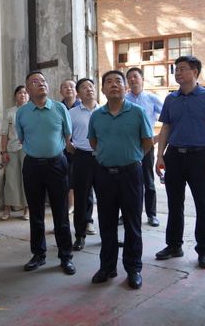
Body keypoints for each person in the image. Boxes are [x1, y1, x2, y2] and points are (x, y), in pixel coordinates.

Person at [155, 55, 205, 269]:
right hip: (174, 156)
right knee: (174, 204)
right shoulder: (171, 99)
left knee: (203, 205)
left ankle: (204, 250)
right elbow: (166, 127)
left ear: (195, 72)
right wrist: (159, 155)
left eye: (183, 68)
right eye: (176, 69)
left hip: (200, 157)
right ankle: (174, 245)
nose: (178, 72)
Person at [88, 70, 153, 289]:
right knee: (106, 223)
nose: (113, 85)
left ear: (125, 88)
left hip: (131, 174)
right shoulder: (97, 115)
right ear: (103, 89)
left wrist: (132, 157)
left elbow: (147, 142)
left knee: (133, 224)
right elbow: (94, 142)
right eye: (108, 82)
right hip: (104, 175)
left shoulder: (137, 112)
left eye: (118, 81)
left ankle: (133, 268)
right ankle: (107, 267)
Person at [15, 71, 75, 276]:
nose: (41, 83)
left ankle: (65, 256)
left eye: (43, 80)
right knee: (36, 213)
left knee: (61, 212)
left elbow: (67, 135)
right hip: (32, 166)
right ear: (28, 89)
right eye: (35, 81)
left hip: (57, 164)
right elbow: (21, 138)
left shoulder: (59, 108)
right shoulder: (22, 112)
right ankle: (38, 254)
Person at [126, 67, 163, 227]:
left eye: (135, 76)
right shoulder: (124, 100)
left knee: (148, 181)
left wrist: (158, 138)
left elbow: (170, 119)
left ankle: (151, 214)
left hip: (147, 144)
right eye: (129, 78)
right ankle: (127, 214)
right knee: (128, 182)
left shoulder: (152, 99)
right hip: (128, 145)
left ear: (142, 79)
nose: (132, 80)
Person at [69, 78, 100, 251]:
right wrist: (77, 152)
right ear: (78, 93)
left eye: (91, 86)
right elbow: (66, 138)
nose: (88, 89)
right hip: (82, 157)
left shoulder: (104, 111)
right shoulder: (72, 113)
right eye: (84, 87)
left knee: (107, 198)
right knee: (81, 198)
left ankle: (108, 235)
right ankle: (80, 236)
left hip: (102, 158)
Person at [0, 85, 30, 220]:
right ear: (15, 96)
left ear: (28, 96)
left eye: (25, 93)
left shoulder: (32, 110)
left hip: (28, 150)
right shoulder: (9, 112)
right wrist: (3, 152)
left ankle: (27, 209)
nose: (23, 95)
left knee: (27, 179)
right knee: (10, 180)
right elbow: (4, 134)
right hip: (12, 149)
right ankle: (7, 209)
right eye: (20, 93)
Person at [59, 79, 80, 215]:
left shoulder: (81, 106)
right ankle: (68, 204)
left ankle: (76, 204)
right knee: (64, 176)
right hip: (62, 147)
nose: (69, 89)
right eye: (65, 87)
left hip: (79, 148)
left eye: (71, 86)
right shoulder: (58, 107)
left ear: (76, 91)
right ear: (60, 91)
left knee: (77, 176)